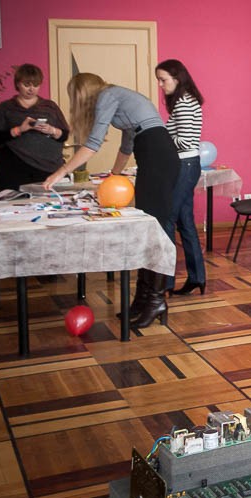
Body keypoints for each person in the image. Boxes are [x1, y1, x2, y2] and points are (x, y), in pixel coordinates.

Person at [43, 73, 180, 329]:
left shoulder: (108, 95)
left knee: (156, 230)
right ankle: (143, 299)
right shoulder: (120, 98)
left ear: (83, 93)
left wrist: (60, 172)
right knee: (148, 229)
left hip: (158, 157)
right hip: (153, 155)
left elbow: (92, 144)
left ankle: (156, 300)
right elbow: (127, 145)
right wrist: (113, 175)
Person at [156, 59, 207, 296]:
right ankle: (197, 277)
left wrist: (159, 139)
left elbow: (185, 141)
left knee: (167, 218)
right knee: (185, 221)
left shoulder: (184, 102)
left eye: (163, 79)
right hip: (186, 164)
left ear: (177, 78)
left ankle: (165, 282)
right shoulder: (185, 100)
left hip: (184, 165)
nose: (160, 84)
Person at [0, 63, 69, 190]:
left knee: (49, 201)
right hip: (15, 169)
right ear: (17, 84)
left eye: (36, 85)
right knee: (17, 200)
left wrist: (52, 130)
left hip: (49, 168)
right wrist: (19, 129)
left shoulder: (50, 107)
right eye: (27, 85)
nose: (31, 89)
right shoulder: (6, 108)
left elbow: (64, 135)